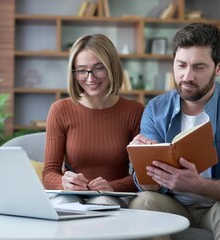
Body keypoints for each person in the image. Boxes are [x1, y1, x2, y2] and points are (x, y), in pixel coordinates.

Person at [128, 23, 220, 239]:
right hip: (172, 203)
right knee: (143, 202)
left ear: (219, 68)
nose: (187, 76)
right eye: (181, 65)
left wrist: (197, 185)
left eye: (199, 67)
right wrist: (143, 165)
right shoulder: (156, 108)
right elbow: (147, 187)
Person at [42, 34, 144, 206]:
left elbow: (143, 175)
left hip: (113, 196)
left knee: (103, 202)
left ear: (111, 67)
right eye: (81, 70)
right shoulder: (60, 110)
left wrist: (112, 186)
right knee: (64, 204)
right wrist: (64, 183)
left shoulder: (134, 111)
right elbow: (49, 173)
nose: (90, 78)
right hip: (71, 196)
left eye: (99, 68)